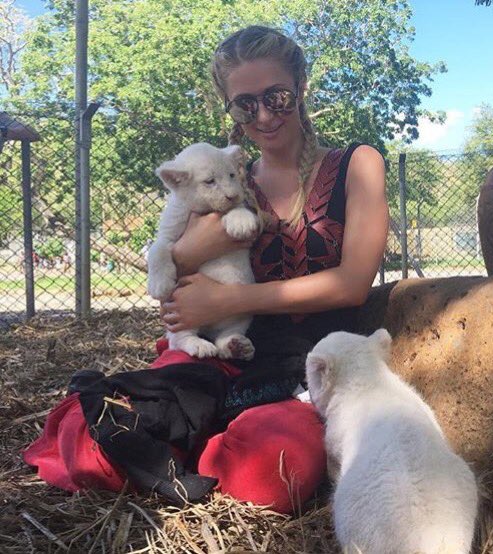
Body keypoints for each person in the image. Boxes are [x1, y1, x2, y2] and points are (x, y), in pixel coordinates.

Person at [23, 25, 388, 514]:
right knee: (89, 446)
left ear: (301, 89)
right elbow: (175, 270)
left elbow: (353, 284)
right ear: (232, 110)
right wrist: (189, 272)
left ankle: (197, 443)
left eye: (276, 96)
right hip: (217, 350)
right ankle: (193, 436)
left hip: (310, 362)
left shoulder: (356, 164)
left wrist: (230, 300)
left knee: (273, 471)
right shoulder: (223, 182)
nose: (263, 114)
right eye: (245, 103)